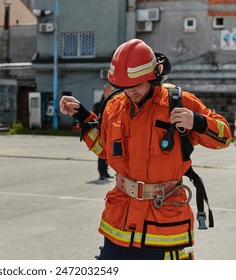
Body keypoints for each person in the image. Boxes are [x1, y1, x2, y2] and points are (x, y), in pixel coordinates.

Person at [59, 39, 231, 260]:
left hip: (165, 225)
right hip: (120, 223)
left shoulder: (178, 102)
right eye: (125, 86)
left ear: (153, 77)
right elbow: (104, 148)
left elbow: (224, 137)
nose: (130, 92)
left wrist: (197, 121)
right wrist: (82, 115)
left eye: (137, 85)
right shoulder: (113, 107)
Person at [93, 84, 114, 180]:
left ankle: (105, 172)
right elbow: (95, 119)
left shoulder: (115, 104)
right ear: (104, 92)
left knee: (109, 154)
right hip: (102, 132)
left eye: (111, 91)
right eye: (109, 91)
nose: (110, 93)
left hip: (112, 132)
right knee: (102, 153)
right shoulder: (98, 105)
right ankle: (101, 173)